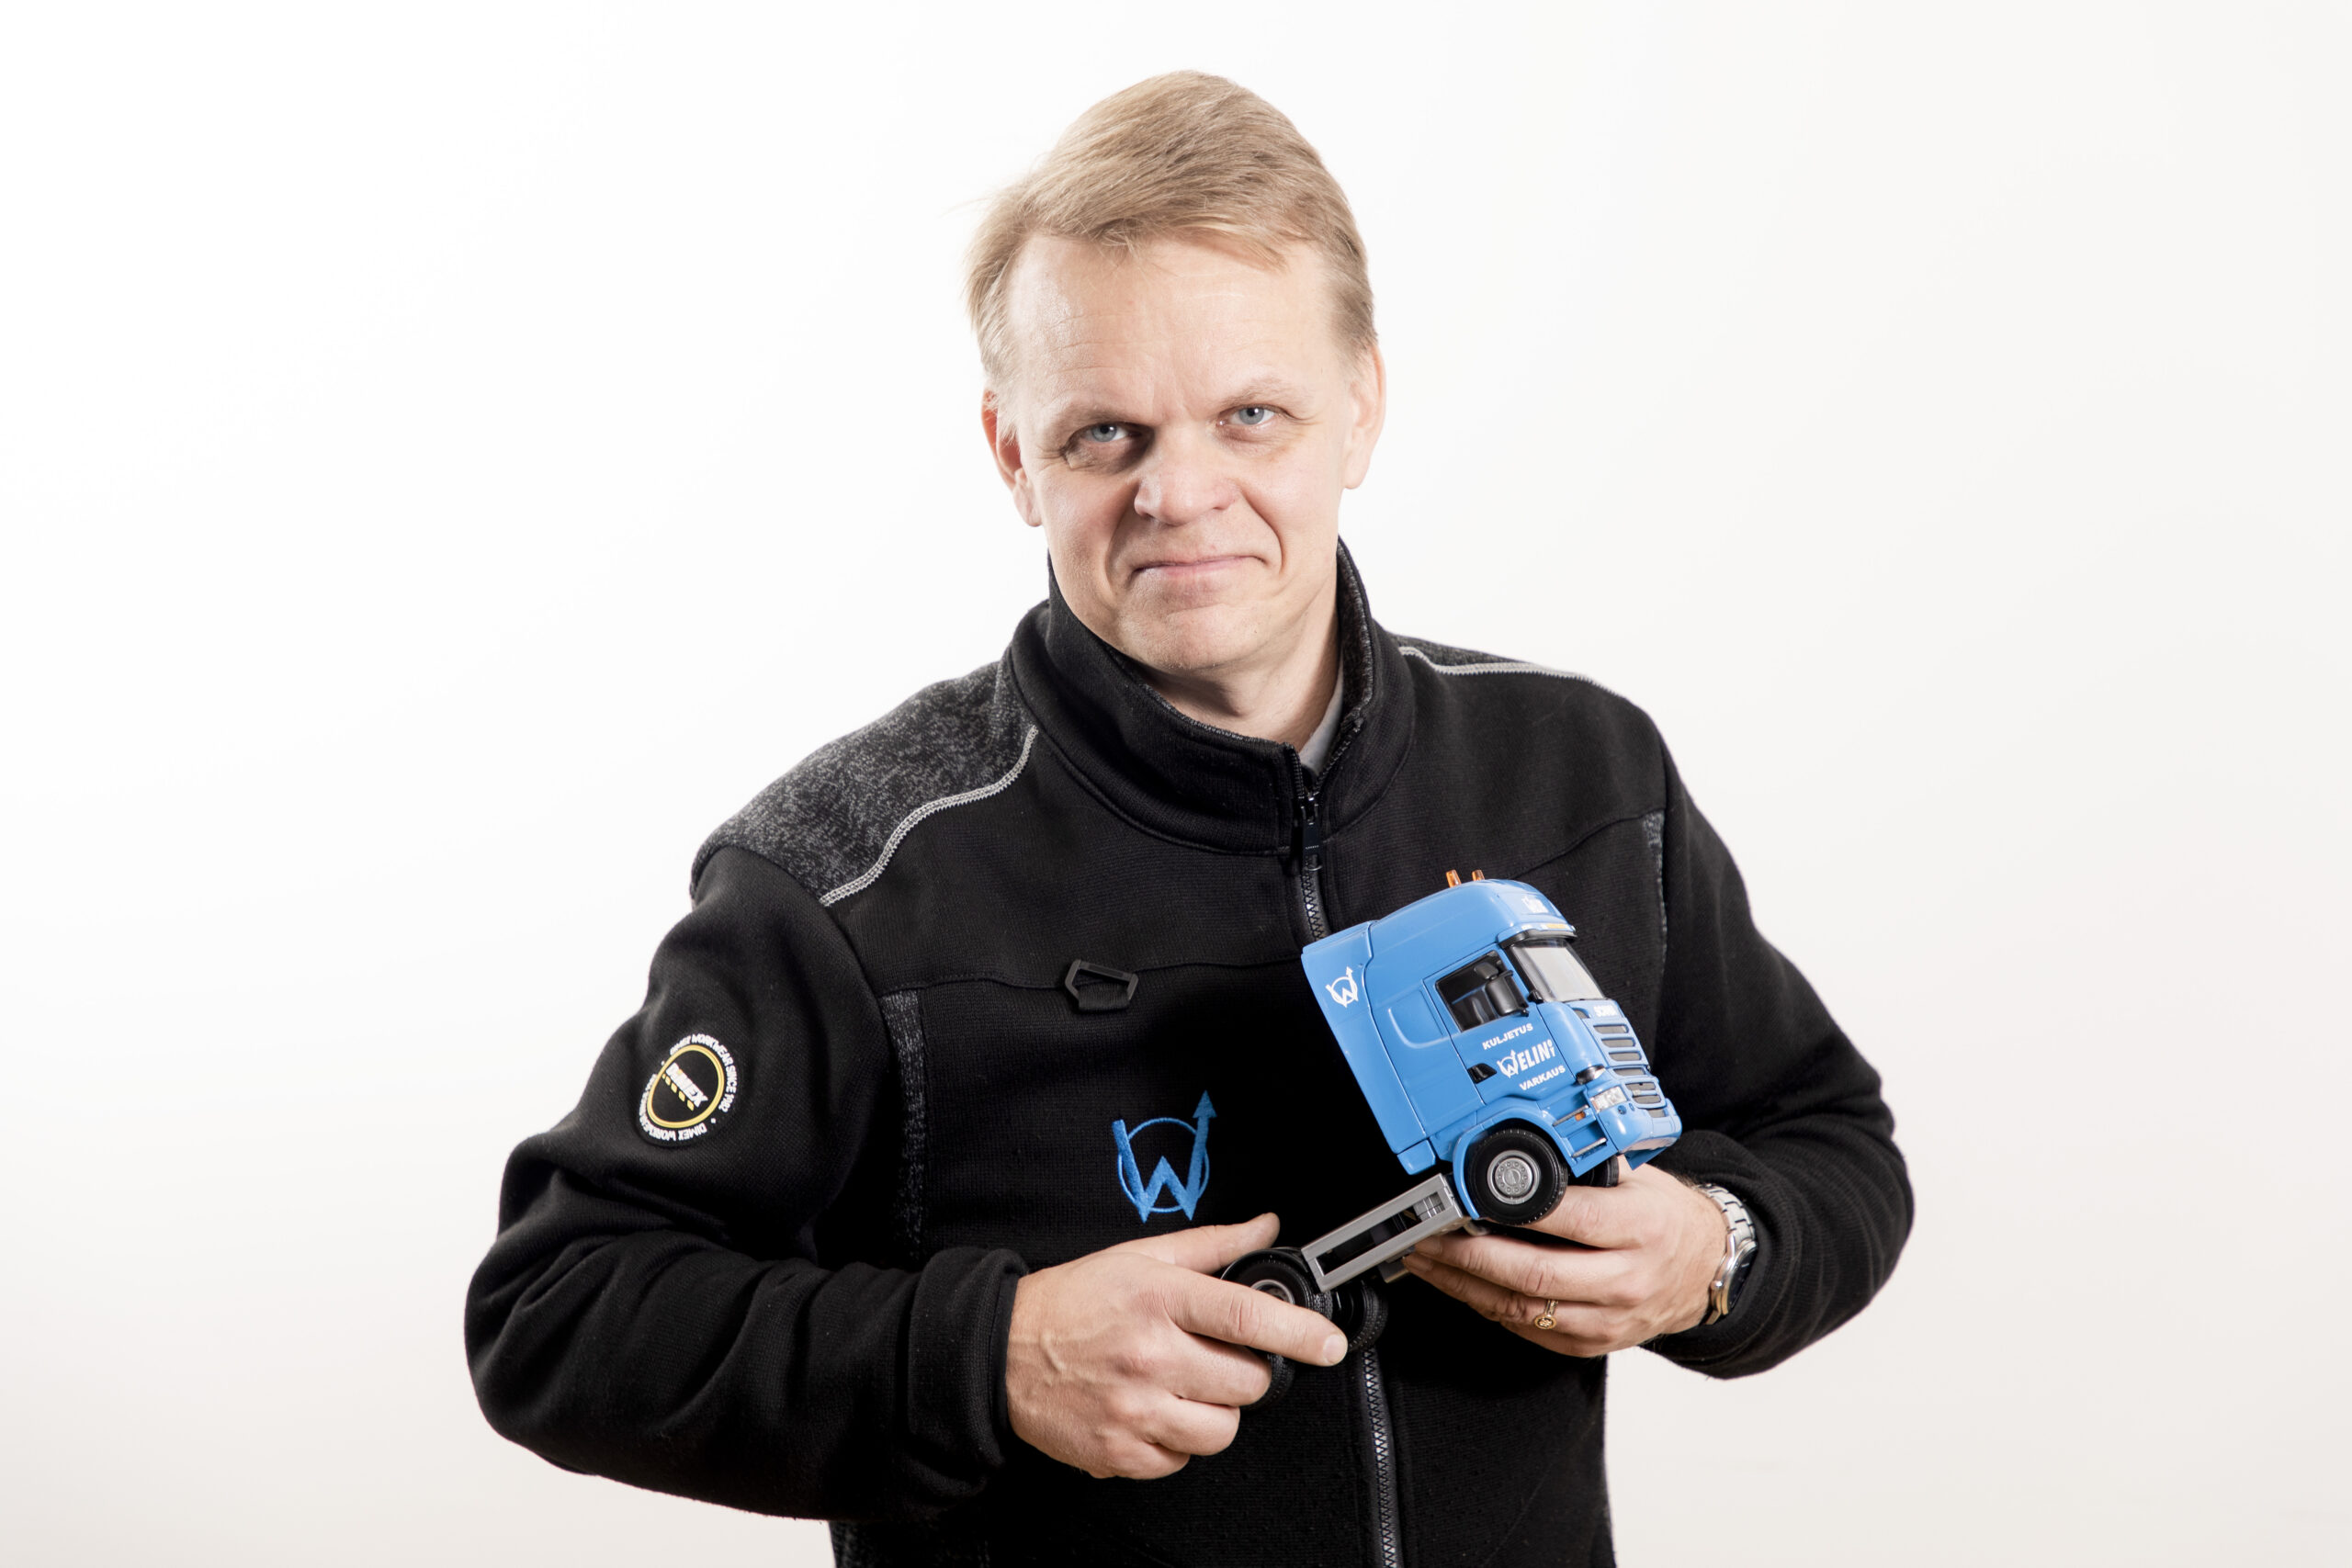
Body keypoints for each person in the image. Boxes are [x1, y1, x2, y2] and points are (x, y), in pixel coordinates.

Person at [466, 72, 1911, 1568]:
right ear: (1012, 453)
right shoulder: (846, 879)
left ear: (1361, 407)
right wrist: (991, 1356)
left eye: (1251, 415)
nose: (1181, 492)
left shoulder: (1585, 774)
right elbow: (557, 1313)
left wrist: (1715, 1252)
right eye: (1107, 433)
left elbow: (1830, 1142)